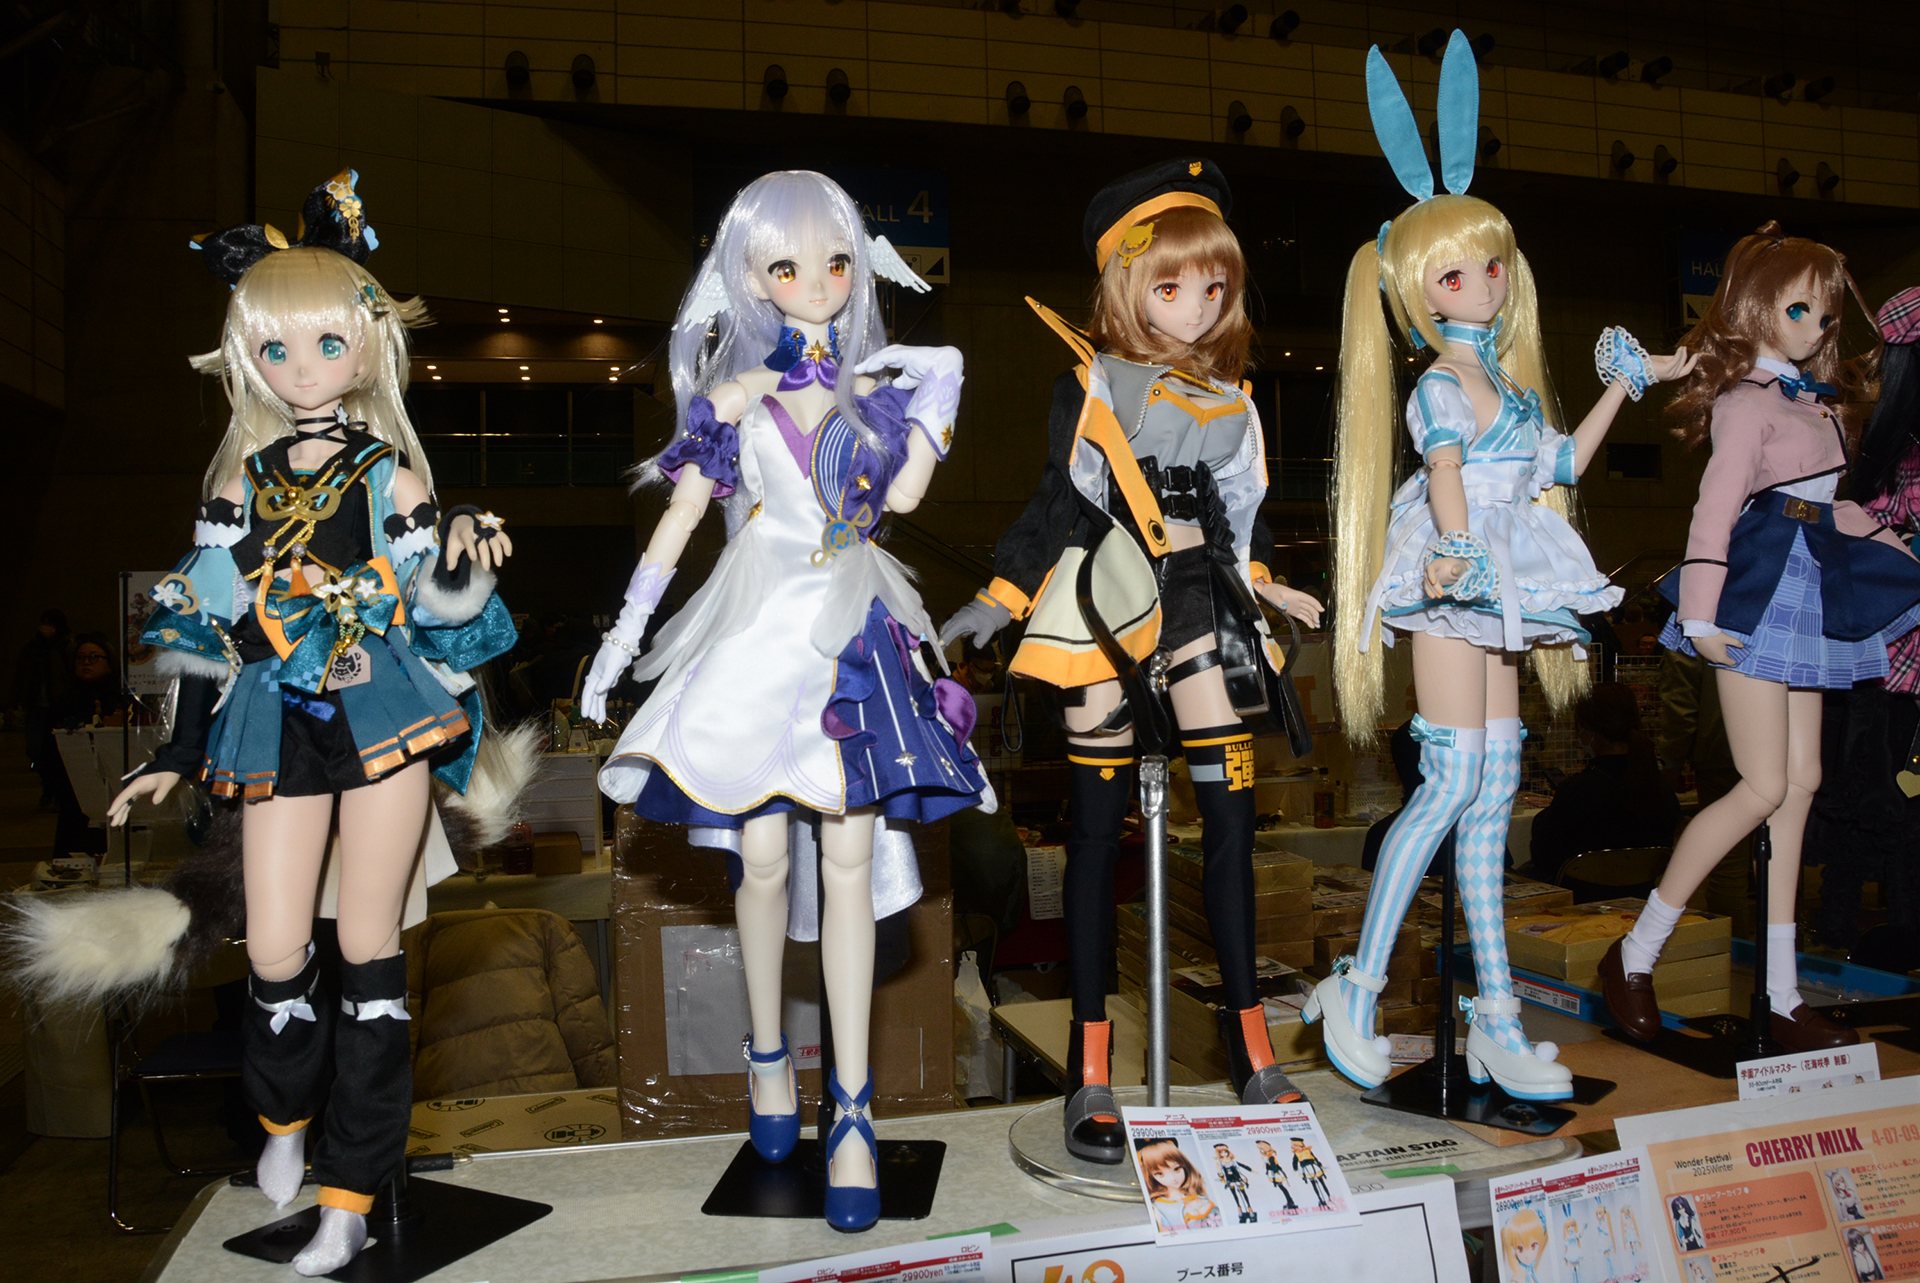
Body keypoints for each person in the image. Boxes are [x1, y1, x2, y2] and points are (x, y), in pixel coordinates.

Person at [100, 171, 519, 1275]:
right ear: (248, 356)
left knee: (369, 952)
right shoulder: (238, 484)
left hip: (379, 712)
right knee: (277, 945)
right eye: (276, 348)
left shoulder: (391, 476)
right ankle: (283, 1117)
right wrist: (174, 750)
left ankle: (350, 1190)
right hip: (273, 720)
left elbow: (441, 609)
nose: (301, 368)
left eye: (327, 343)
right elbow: (207, 622)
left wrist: (463, 555)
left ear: (368, 346)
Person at [581, 171, 989, 1233]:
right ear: (754, 277)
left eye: (837, 262)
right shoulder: (731, 398)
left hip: (851, 625)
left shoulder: (875, 393)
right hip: (760, 628)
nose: (817, 281)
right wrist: (623, 639)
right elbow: (678, 522)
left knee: (851, 860)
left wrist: (941, 383)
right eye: (789, 265)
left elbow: (903, 497)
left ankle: (851, 1107)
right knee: (760, 858)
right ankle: (768, 1051)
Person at [1309, 30, 1694, 1102]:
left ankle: (1496, 1017)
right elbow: (1443, 474)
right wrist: (1456, 552)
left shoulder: (1512, 390)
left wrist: (1625, 384)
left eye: (1490, 265)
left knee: (1492, 789)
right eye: (1457, 271)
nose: (1483, 282)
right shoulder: (1440, 383)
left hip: (1498, 576)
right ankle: (1357, 985)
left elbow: (1559, 464)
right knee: (1448, 784)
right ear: (1419, 289)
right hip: (1456, 575)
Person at [936, 157, 1321, 1162]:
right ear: (1124, 285)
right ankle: (1091, 1066)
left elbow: (1239, 518)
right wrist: (1000, 597)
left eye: (1214, 286)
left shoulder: (1232, 401)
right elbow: (1056, 504)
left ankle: (1251, 1046)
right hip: (1104, 603)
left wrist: (1266, 582)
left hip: (1200, 602)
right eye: (1172, 285)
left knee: (1231, 820)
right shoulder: (1092, 386)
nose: (1197, 306)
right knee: (1096, 841)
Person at [1605, 224, 1920, 1054]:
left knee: (1802, 781)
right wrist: (1701, 613)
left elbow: (1831, 507)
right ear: (1755, 309)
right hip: (1756, 591)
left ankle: (1781, 992)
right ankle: (1635, 954)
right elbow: (1715, 508)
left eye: (1824, 312)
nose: (1816, 325)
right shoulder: (1745, 402)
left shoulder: (1816, 405)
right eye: (1797, 308)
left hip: (1812, 583)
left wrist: (1895, 548)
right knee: (1762, 783)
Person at [1528, 683, 1680, 884]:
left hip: (1580, 896)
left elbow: (1544, 856)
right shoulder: (1661, 789)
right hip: (1639, 895)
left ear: (1588, 731)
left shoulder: (1580, 791)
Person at [1138, 1140, 1221, 1232]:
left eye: (1177, 1169)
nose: (1173, 1178)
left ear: (1185, 1166)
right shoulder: (1159, 1206)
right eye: (1160, 1174)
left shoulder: (1201, 1197)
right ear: (1151, 1176)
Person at [1501, 1207, 1550, 1283]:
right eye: (1520, 1249)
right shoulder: (1516, 1279)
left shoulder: (1538, 1271)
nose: (1527, 1255)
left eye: (1533, 1246)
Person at [1214, 1142, 1255, 1223]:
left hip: (1237, 1177)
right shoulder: (1220, 1162)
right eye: (1222, 1153)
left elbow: (1239, 1167)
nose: (1224, 1154)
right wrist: (1222, 1177)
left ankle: (1250, 1209)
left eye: (1225, 1152)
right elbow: (1221, 1172)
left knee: (1243, 1193)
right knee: (1234, 1194)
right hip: (1229, 1179)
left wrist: (1249, 1172)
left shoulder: (1232, 1160)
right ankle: (1239, 1209)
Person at [1255, 1138, 1297, 1210]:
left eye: (1262, 1149)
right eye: (1260, 1149)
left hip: (1275, 1172)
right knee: (1281, 1187)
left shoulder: (1271, 1156)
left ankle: (1290, 1202)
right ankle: (1290, 1201)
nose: (1261, 1151)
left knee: (1282, 1187)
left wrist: (1275, 1174)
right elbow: (1268, 1165)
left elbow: (1273, 1165)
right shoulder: (1267, 1156)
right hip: (1273, 1172)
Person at [1290, 1136, 1331, 1207]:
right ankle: (1323, 1198)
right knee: (1318, 1183)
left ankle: (1327, 1198)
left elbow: (1295, 1162)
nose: (1294, 1147)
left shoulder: (1304, 1151)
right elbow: (1295, 1162)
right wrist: (1295, 1168)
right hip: (1311, 1168)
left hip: (1310, 1168)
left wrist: (1295, 1169)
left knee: (1318, 1183)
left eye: (1295, 1145)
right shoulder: (1301, 1152)